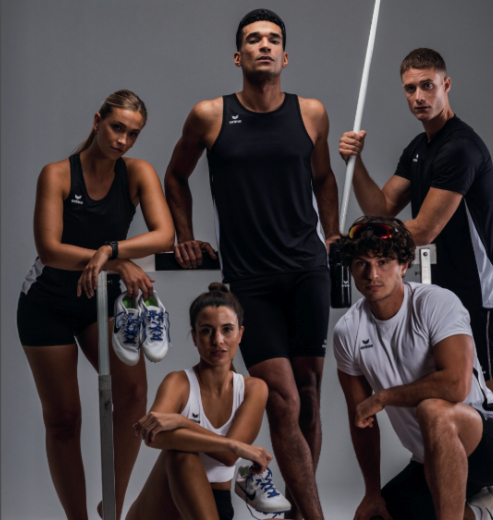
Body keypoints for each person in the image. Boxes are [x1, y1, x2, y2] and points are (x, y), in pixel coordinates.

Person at [339, 48, 493, 520]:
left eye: (428, 85)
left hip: (478, 288)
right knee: (448, 401)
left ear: (447, 85)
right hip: (441, 289)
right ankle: (470, 502)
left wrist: (357, 240)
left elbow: (420, 230)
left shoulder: (460, 147)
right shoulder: (419, 147)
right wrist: (354, 164)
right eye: (410, 88)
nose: (419, 96)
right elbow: (382, 209)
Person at [164, 9, 339, 520]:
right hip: (251, 278)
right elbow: (175, 176)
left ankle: (296, 510)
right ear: (238, 56)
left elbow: (323, 178)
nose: (264, 45)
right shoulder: (210, 115)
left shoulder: (311, 112)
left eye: (273, 39)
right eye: (254, 39)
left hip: (307, 270)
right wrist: (185, 236)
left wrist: (332, 232)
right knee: (281, 398)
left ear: (285, 55)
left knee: (308, 396)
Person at [17, 89, 175, 520]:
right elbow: (50, 250)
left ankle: (113, 505)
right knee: (64, 419)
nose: (123, 140)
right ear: (97, 121)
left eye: (133, 133)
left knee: (134, 395)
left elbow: (165, 236)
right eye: (116, 128)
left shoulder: (137, 173)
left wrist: (111, 250)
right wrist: (118, 262)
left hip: (100, 300)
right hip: (47, 304)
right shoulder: (57, 174)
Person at [334, 216, 493, 520]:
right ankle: (481, 513)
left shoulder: (436, 303)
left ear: (404, 265)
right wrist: (371, 492)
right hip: (430, 459)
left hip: (490, 444)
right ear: (351, 269)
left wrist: (383, 397)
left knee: (433, 410)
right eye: (361, 264)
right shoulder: (348, 331)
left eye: (383, 262)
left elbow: (455, 386)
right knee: (378, 516)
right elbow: (361, 421)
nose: (372, 274)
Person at [127, 283, 277, 520]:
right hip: (161, 505)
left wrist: (181, 422)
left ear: (240, 334)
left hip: (214, 505)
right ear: (195, 338)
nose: (218, 340)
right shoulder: (178, 382)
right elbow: (153, 436)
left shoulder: (253, 389)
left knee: (184, 448)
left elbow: (228, 457)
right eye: (207, 331)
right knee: (180, 455)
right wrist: (235, 445)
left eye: (227, 330)